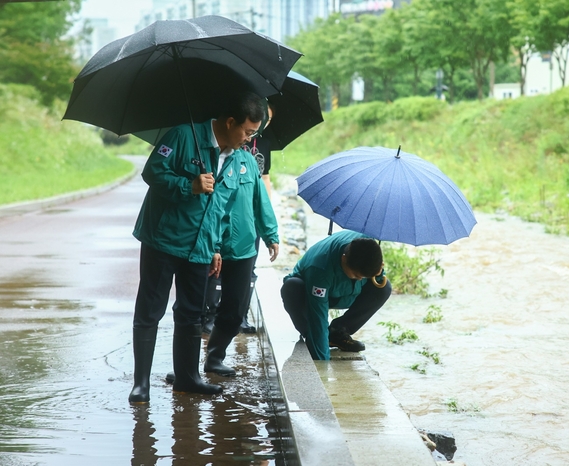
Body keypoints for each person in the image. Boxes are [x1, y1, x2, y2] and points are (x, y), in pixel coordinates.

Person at [128, 91, 266, 403]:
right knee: (150, 310)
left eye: (254, 133)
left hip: (201, 246)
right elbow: (153, 172)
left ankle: (188, 378)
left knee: (191, 313)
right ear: (230, 122)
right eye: (247, 131)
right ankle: (141, 383)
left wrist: (215, 245)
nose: (248, 139)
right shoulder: (181, 135)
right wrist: (187, 185)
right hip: (163, 239)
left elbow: (221, 205)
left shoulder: (234, 158)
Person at [203, 143, 280, 376]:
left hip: (243, 247)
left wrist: (270, 234)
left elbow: (260, 199)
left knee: (235, 311)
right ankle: (185, 368)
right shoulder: (205, 157)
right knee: (194, 309)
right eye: (246, 131)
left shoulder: (247, 160)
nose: (249, 137)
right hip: (207, 246)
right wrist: (212, 246)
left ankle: (214, 357)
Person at [280, 230, 392, 360]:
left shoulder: (368, 247)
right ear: (343, 258)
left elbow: (376, 281)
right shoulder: (320, 267)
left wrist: (378, 273)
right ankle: (310, 335)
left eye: (363, 277)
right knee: (291, 287)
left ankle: (337, 332)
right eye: (356, 275)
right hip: (308, 295)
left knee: (384, 288)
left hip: (345, 293)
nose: (360, 279)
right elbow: (318, 316)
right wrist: (322, 364)